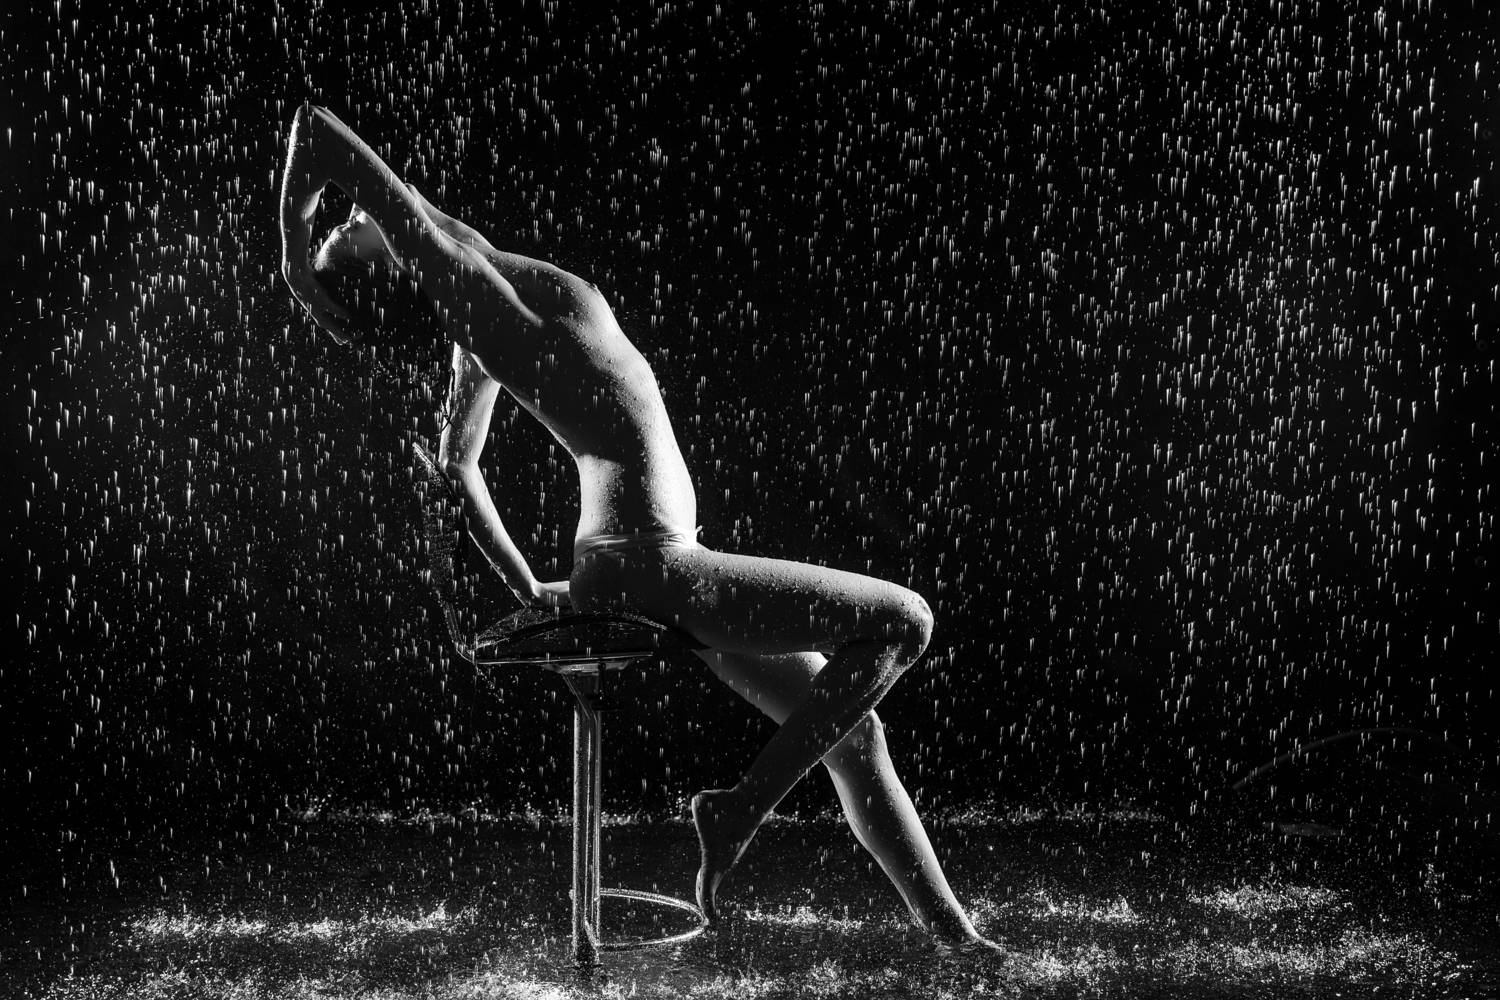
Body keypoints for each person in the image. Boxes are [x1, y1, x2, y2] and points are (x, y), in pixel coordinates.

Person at [279, 103, 1000, 954]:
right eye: (341, 238)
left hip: (644, 562)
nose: (346, 218)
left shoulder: (475, 295)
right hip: (658, 566)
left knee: (856, 733)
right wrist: (297, 261)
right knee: (904, 622)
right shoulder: (464, 290)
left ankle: (957, 941)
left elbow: (456, 466)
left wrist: (531, 586)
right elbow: (318, 133)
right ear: (395, 269)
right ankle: (738, 811)